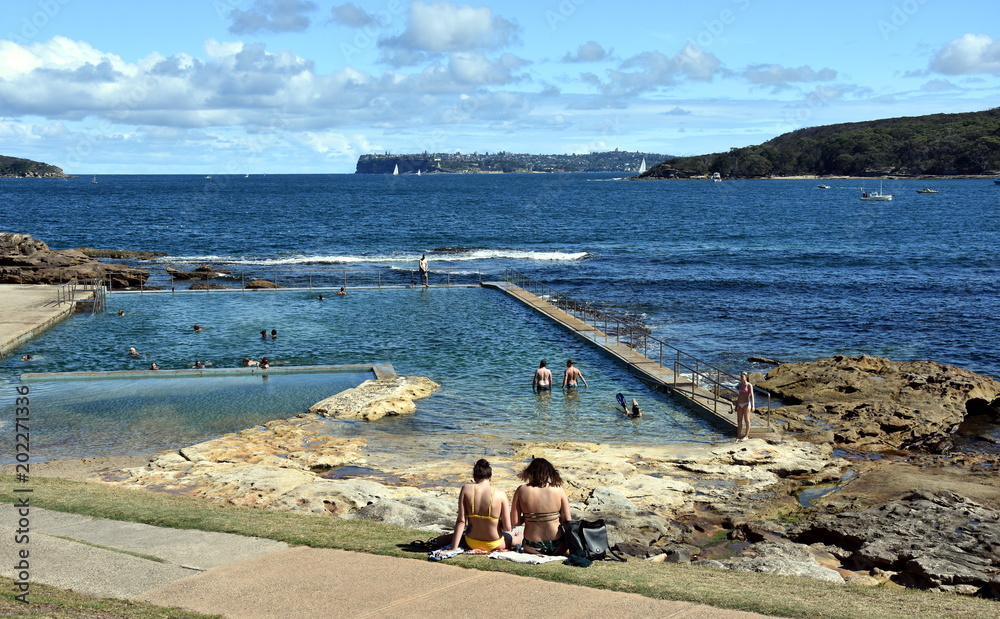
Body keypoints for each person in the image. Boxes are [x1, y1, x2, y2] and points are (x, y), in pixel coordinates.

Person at [439, 459, 517, 553]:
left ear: (474, 477)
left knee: (447, 538)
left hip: (471, 542)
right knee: (517, 536)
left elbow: (461, 521)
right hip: (494, 543)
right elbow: (507, 527)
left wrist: (453, 548)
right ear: (490, 478)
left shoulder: (466, 489)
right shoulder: (500, 493)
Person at [511, 458, 571, 555]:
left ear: (530, 472)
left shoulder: (521, 490)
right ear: (549, 472)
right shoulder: (558, 489)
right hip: (557, 545)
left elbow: (515, 522)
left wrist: (529, 517)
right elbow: (567, 520)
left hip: (532, 545)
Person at [735, 372, 755, 441]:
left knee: (747, 420)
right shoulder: (740, 385)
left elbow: (752, 395)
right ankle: (738, 435)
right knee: (739, 420)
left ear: (746, 377)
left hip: (746, 404)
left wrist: (753, 405)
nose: (741, 378)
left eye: (742, 377)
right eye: (741, 376)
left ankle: (746, 436)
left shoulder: (749, 385)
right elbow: (739, 395)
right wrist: (736, 405)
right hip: (740, 404)